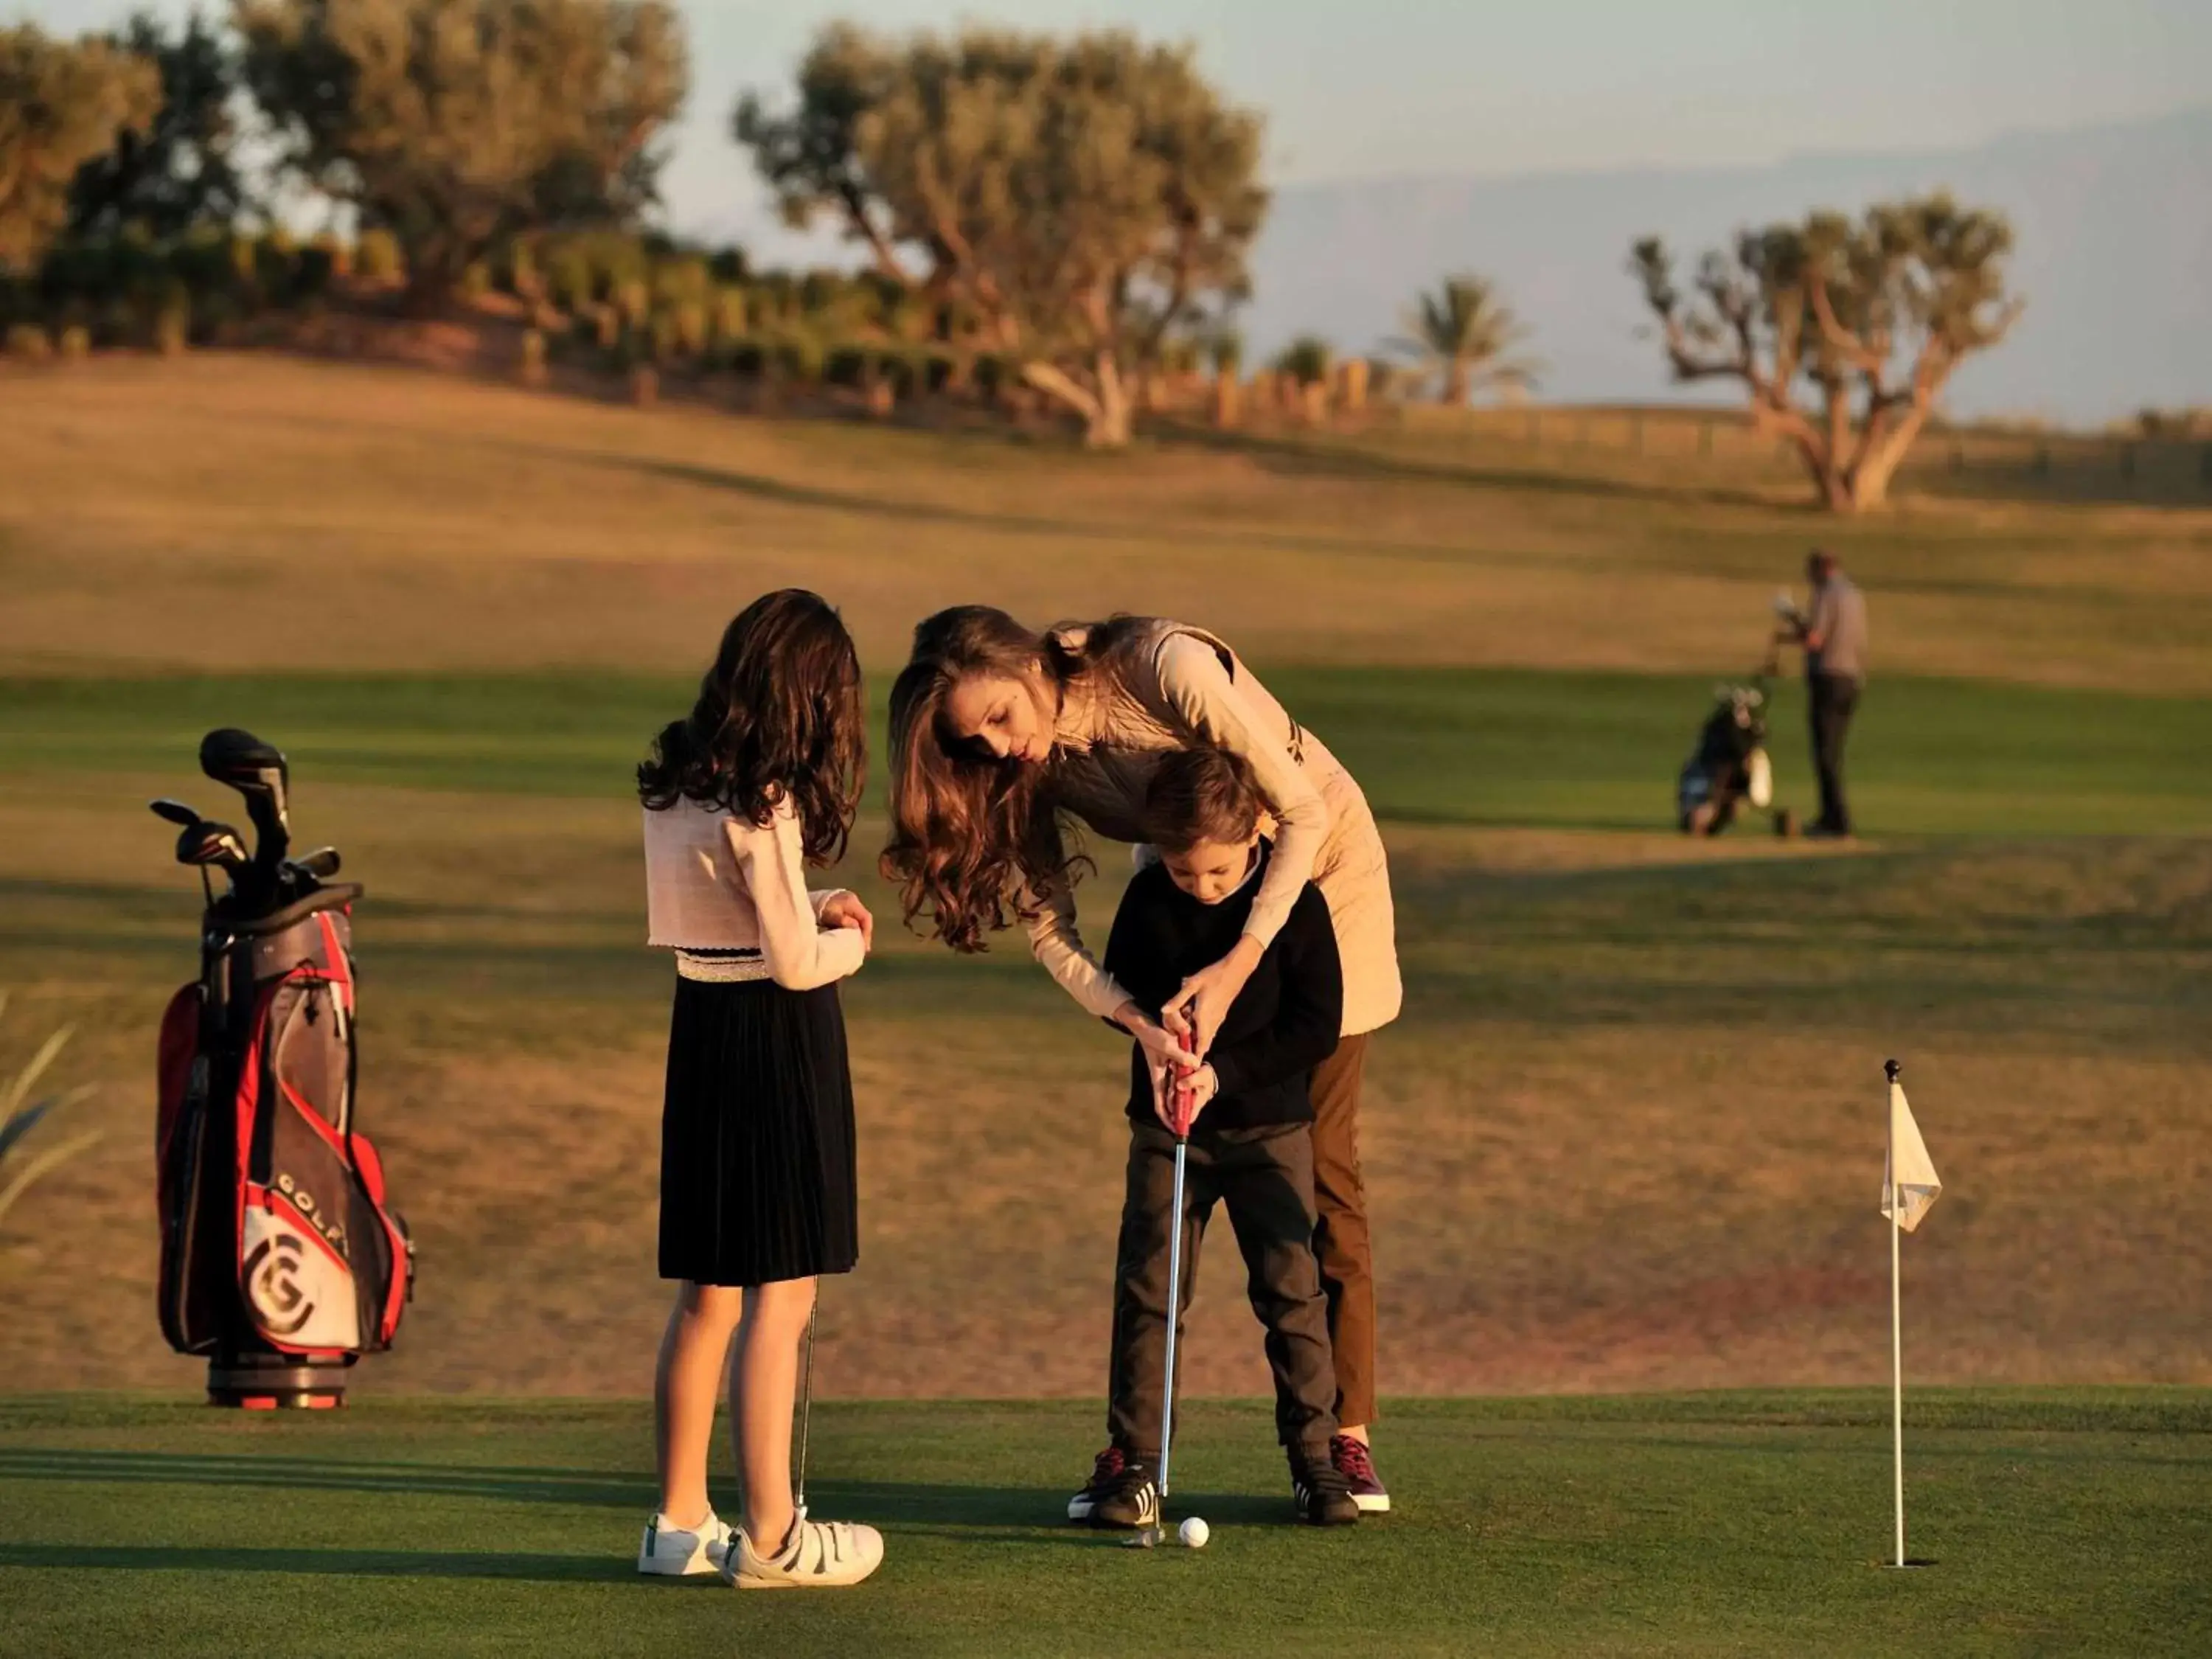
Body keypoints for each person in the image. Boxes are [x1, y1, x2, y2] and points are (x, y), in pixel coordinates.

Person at [883, 608, 1402, 1514]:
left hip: (1317, 880)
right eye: (978, 742)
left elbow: (1305, 811)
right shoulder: (1032, 773)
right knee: (1166, 1237)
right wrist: (1134, 1019)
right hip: (1196, 898)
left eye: (1002, 714)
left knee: (1318, 1177)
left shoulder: (1165, 668)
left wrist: (1240, 965)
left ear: (1027, 664)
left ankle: (1339, 1440)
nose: (1003, 748)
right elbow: (1050, 928)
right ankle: (1136, 1454)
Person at [635, 589, 886, 1590]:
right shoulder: (763, 794)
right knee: (781, 1295)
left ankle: (679, 1524)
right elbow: (790, 960)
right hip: (776, 1042)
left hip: (701, 1028)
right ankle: (776, 1537)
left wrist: (816, 901)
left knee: (710, 1293)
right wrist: (850, 940)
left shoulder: (677, 777)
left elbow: (720, 913)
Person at [1080, 748, 1360, 1529]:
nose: (1200, 888)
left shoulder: (1293, 905)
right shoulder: (1147, 900)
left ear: (1255, 837)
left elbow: (1317, 1028)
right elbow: (1123, 997)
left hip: (1270, 1126)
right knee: (1151, 1290)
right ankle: (1134, 1464)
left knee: (1291, 1292)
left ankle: (1314, 1461)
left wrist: (1223, 1074)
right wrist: (1159, 1044)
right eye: (1183, 873)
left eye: (1217, 873)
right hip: (1166, 1129)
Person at [1780, 549, 1868, 837]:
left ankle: (1836, 820)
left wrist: (1791, 618)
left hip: (1828, 677)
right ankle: (1833, 816)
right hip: (1852, 679)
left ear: (1819, 570)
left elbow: (1816, 639)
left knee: (1825, 754)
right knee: (1835, 752)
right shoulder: (1854, 595)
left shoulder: (1825, 594)